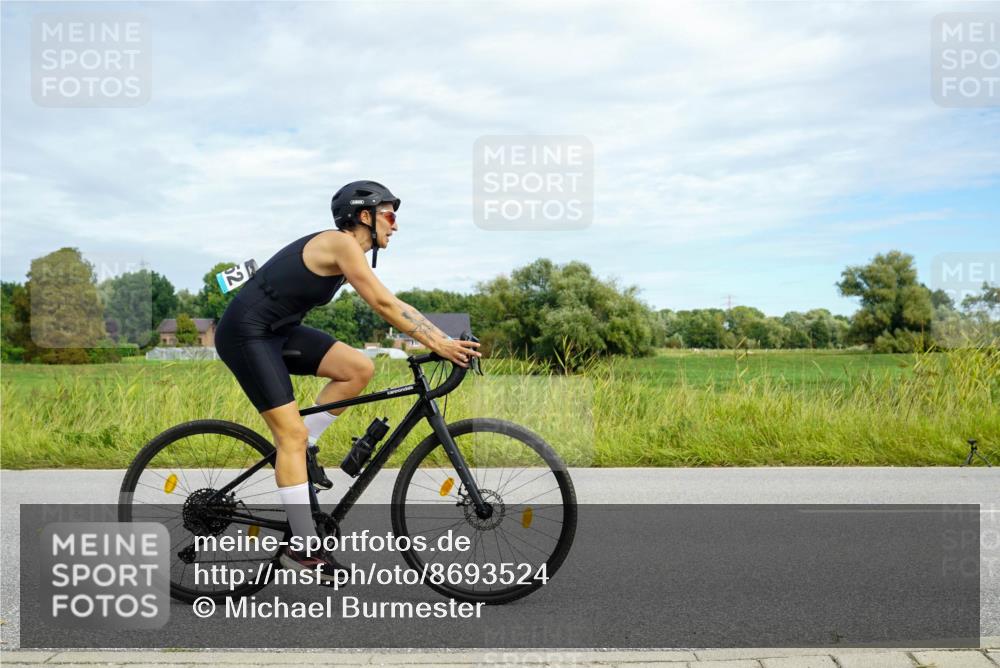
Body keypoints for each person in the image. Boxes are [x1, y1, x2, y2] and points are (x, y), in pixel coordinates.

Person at [213, 180, 481, 582]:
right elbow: (383, 303)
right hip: (246, 334)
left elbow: (395, 302)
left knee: (358, 368)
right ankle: (302, 549)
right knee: (289, 435)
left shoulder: (348, 253)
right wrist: (440, 344)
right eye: (389, 215)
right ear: (364, 216)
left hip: (278, 331)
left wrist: (442, 339)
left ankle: (305, 448)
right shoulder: (341, 244)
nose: (395, 225)